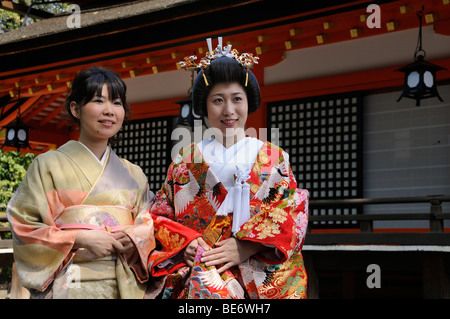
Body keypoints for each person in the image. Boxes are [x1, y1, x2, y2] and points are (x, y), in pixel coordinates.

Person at [146, 38, 309, 299]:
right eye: (218, 100)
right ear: (205, 106)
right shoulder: (185, 160)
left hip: (259, 266)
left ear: (248, 102)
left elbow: (292, 213)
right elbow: (160, 215)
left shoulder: (274, 157)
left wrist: (246, 246)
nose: (229, 110)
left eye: (237, 99)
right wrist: (183, 245)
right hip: (202, 269)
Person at [6, 67, 155, 299]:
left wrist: (135, 238)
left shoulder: (134, 173)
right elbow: (24, 225)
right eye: (98, 101)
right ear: (76, 109)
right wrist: (77, 238)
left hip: (123, 285)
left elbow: (151, 221)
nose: (109, 111)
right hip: (69, 282)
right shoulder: (47, 164)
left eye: (117, 103)